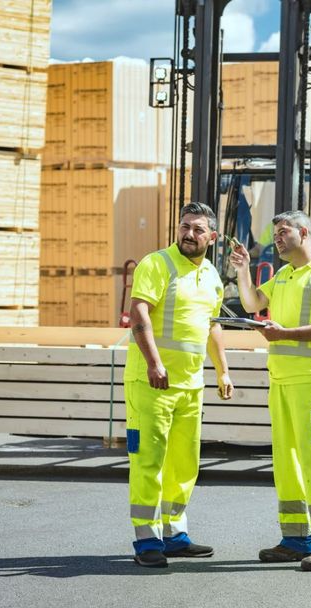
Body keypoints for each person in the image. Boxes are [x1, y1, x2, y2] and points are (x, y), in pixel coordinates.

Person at [229, 210, 311, 572]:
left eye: (283, 233)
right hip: (281, 380)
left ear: (304, 232)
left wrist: (284, 335)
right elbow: (252, 304)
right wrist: (243, 268)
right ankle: (297, 539)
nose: (277, 239)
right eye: (275, 234)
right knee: (287, 463)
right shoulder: (284, 274)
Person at [125, 202, 234, 568]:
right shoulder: (157, 264)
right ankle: (146, 539)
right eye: (184, 226)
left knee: (184, 463)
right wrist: (154, 362)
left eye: (198, 229)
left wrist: (222, 371)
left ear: (212, 237)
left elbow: (213, 326)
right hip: (152, 381)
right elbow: (139, 312)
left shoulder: (213, 277)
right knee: (149, 461)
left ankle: (174, 533)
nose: (189, 234)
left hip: (190, 384)